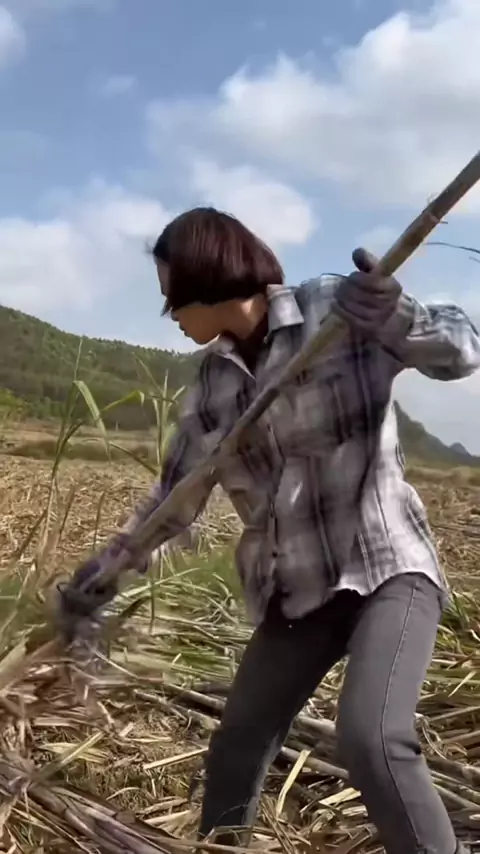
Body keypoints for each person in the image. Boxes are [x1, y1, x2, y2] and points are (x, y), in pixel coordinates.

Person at [59, 207, 480, 854]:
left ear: (208, 278)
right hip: (297, 593)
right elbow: (173, 502)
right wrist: (102, 576)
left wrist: (398, 316)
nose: (170, 315)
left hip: (387, 568)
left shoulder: (335, 311)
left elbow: (463, 349)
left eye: (173, 296)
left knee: (371, 737)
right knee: (238, 743)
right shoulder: (213, 387)